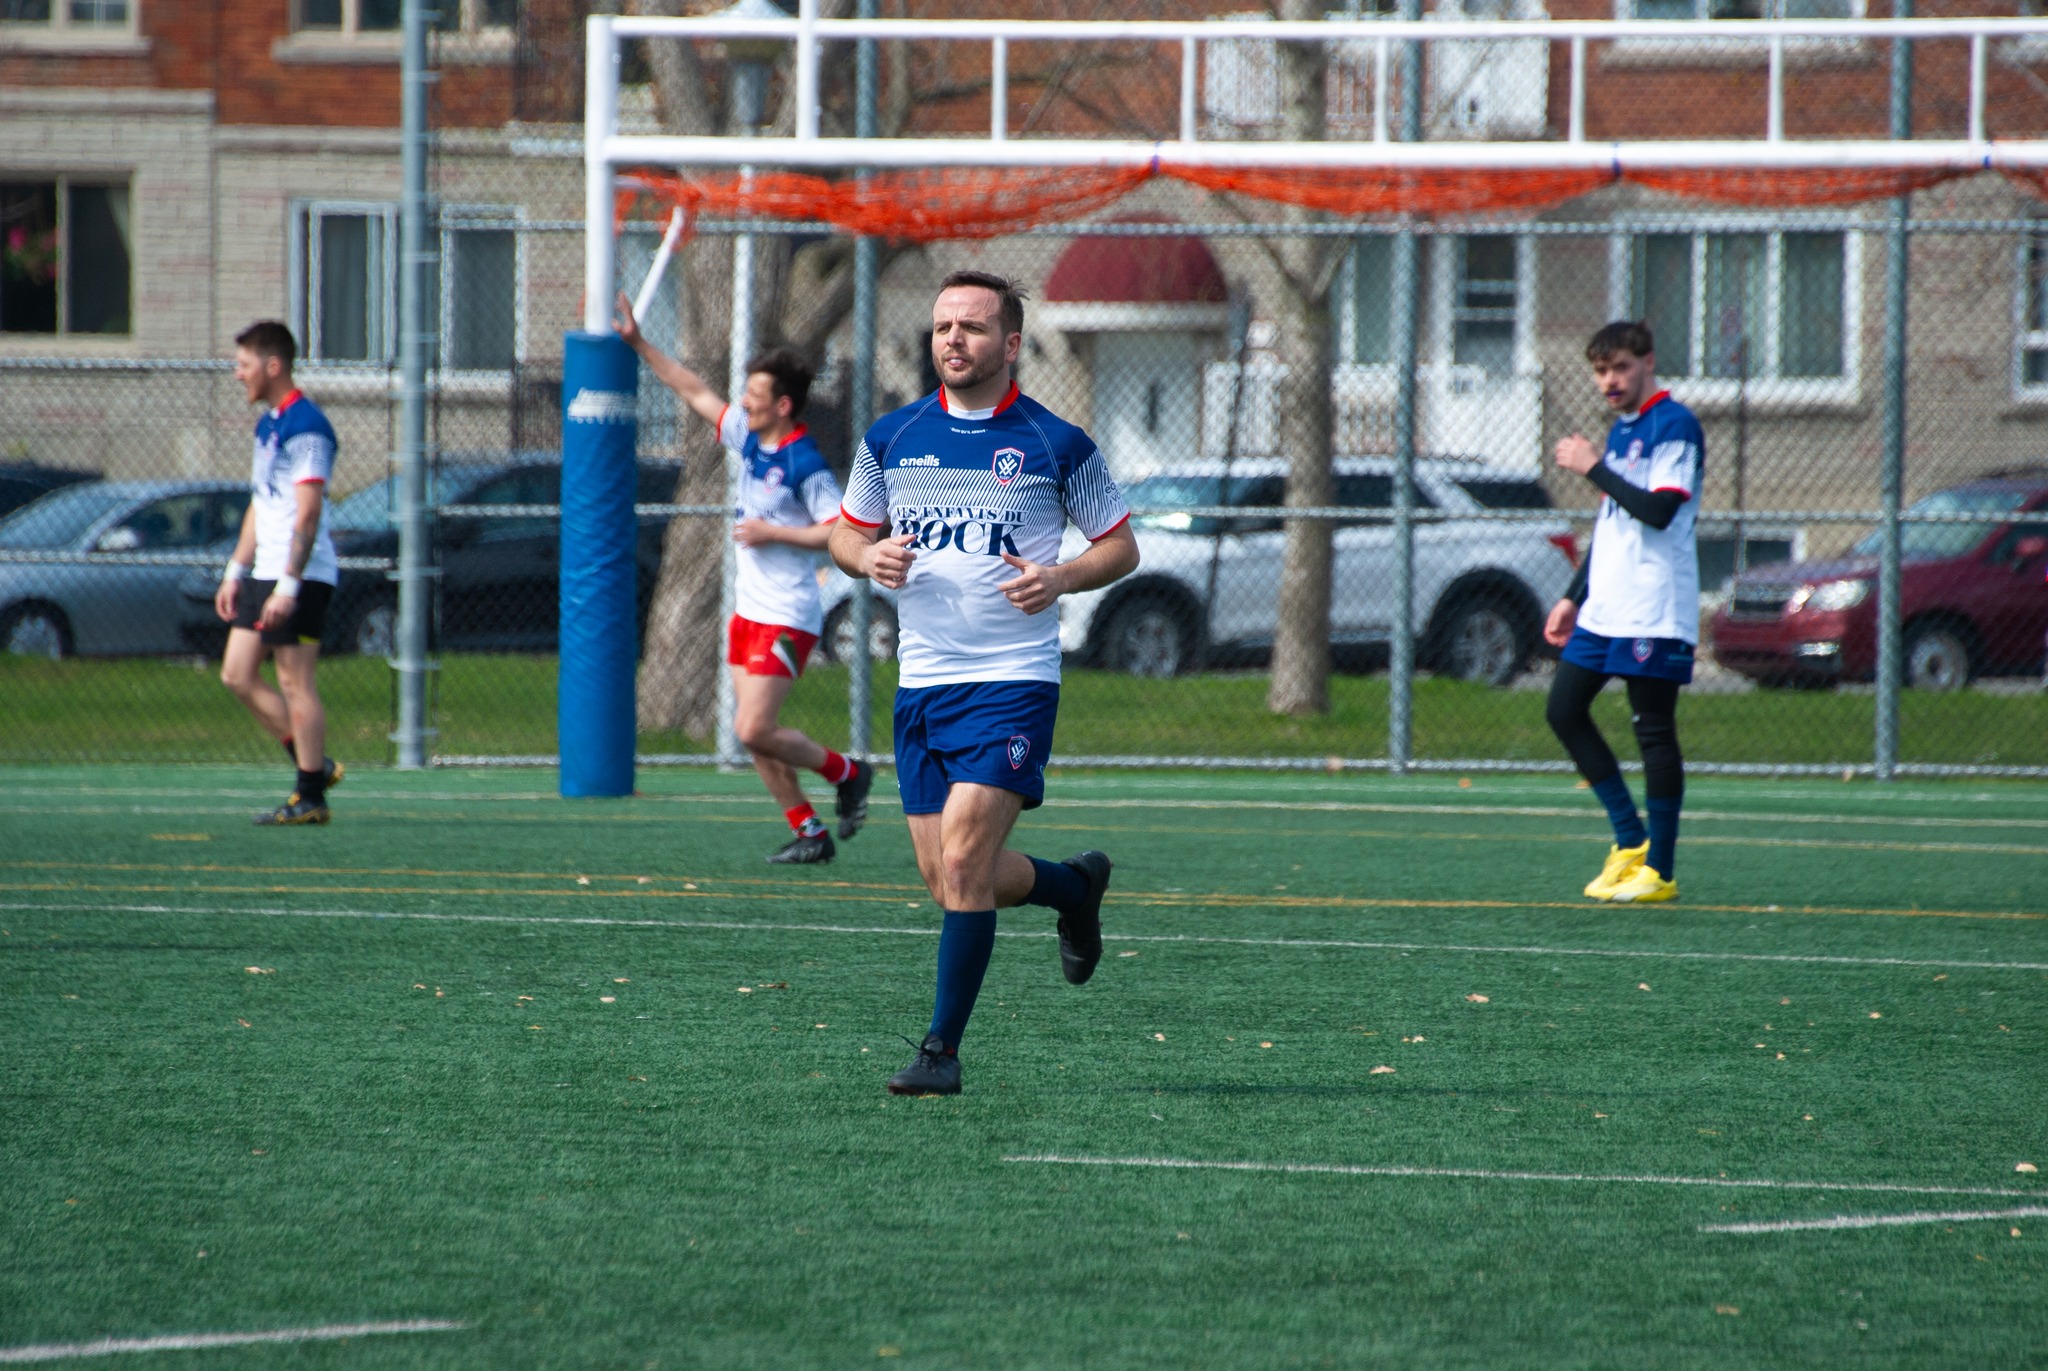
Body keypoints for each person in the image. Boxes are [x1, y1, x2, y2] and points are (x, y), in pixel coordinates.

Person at [829, 269, 1141, 1096]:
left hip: (1011, 681)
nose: (952, 341)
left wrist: (1061, 576)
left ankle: (940, 1051)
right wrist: (868, 555)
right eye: (941, 327)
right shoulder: (892, 436)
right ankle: (1075, 887)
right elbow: (845, 538)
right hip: (922, 683)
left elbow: (1121, 546)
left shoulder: (1055, 442)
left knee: (966, 860)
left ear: (1010, 344)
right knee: (948, 879)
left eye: (970, 327)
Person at [614, 295, 874, 864]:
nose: (744, 404)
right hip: (748, 613)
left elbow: (840, 533)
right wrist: (639, 344)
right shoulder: (751, 437)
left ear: (782, 405)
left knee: (753, 727)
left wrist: (775, 534)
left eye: (755, 397)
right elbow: (694, 390)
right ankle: (809, 830)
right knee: (752, 730)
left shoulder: (805, 464)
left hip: (789, 613)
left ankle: (847, 772)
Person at [1543, 320, 1704, 904]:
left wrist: (1593, 468)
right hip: (1606, 607)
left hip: (1653, 607)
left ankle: (1659, 870)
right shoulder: (1621, 431)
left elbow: (1659, 511)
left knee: (1652, 732)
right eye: (1600, 370)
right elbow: (1614, 522)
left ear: (1648, 362)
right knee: (1563, 709)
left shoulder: (1674, 425)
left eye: (1620, 368)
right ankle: (1629, 839)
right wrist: (1572, 594)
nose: (1609, 381)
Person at [215, 320, 344, 826]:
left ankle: (310, 795)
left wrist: (289, 585)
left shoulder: (307, 427)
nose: (237, 374)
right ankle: (315, 766)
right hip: (264, 568)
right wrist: (235, 570)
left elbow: (307, 513)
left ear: (273, 366)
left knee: (295, 681)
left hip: (301, 574)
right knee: (237, 674)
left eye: (244, 364)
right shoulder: (268, 423)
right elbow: (261, 503)